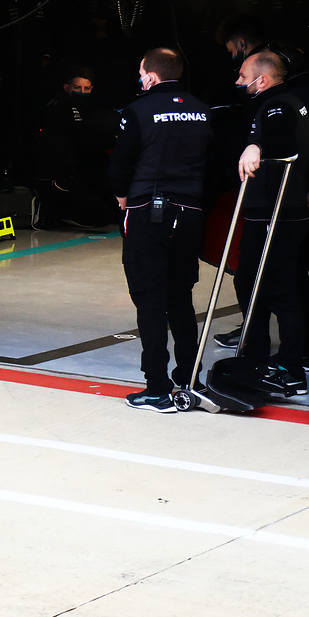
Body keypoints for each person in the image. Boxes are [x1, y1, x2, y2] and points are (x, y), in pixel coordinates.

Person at [106, 48, 213, 412]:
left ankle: (156, 389)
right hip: (190, 212)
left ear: (150, 76)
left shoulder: (137, 111)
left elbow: (120, 163)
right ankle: (190, 378)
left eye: (141, 72)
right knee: (180, 298)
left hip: (148, 212)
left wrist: (122, 199)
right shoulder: (202, 109)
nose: (140, 79)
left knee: (150, 300)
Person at [231, 50, 309, 398]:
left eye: (243, 75)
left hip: (275, 210)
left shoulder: (276, 106)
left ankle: (291, 368)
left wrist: (255, 145)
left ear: (261, 79)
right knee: (252, 281)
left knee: (277, 287)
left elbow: (281, 141)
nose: (238, 82)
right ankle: (259, 355)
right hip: (277, 209)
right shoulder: (293, 101)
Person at [31, 66, 119, 230]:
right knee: (103, 216)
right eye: (77, 88)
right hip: (56, 178)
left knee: (113, 207)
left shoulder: (83, 108)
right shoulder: (62, 108)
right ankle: (49, 209)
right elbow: (85, 137)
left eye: (86, 88)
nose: (82, 92)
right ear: (67, 88)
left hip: (74, 174)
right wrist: (113, 139)